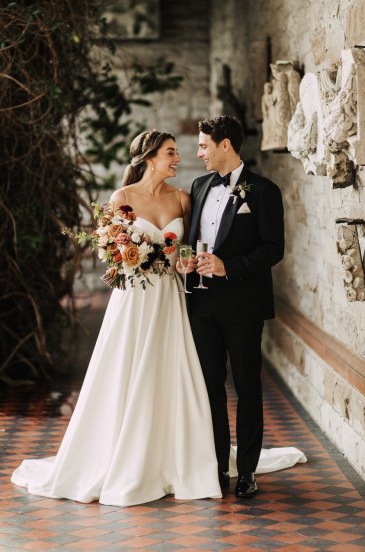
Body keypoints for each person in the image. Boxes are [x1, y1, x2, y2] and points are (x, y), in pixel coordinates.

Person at [11, 129, 222, 506]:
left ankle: (172, 456)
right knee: (124, 369)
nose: (178, 159)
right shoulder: (121, 198)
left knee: (169, 370)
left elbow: (186, 249)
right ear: (150, 157)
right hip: (132, 301)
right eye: (171, 153)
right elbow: (109, 253)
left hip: (168, 300)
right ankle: (119, 455)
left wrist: (186, 260)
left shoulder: (183, 199)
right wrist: (133, 255)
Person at [184, 115, 285, 498]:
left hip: (243, 306)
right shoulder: (198, 185)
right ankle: (216, 466)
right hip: (201, 304)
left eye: (204, 146)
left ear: (225, 145)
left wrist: (230, 267)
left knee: (246, 388)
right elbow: (195, 240)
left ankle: (247, 472)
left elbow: (273, 248)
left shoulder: (263, 191)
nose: (199, 152)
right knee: (210, 388)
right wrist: (187, 261)